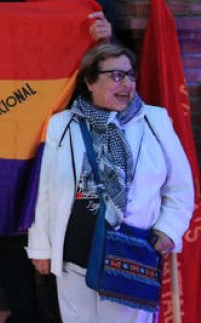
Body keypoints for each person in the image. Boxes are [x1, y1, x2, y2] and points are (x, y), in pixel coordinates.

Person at [0, 0, 119, 322]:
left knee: (67, 227)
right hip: (11, 138)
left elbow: (120, 75)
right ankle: (23, 313)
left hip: (71, 141)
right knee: (11, 230)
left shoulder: (92, 6)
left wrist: (107, 41)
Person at [27, 44, 194, 322]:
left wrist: (168, 230)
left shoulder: (155, 121)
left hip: (130, 255)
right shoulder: (62, 124)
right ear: (90, 82)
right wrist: (41, 247)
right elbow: (44, 192)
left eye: (130, 75)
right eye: (116, 76)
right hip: (74, 255)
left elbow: (180, 188)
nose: (127, 84)